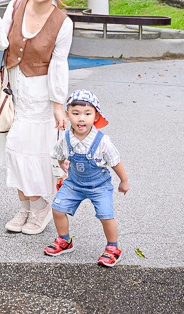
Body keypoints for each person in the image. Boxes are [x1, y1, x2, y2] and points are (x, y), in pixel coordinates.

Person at [0, 0, 73, 236]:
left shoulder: (62, 23)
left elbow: (58, 65)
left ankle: (41, 208)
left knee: (35, 153)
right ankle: (24, 208)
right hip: (13, 89)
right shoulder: (16, 5)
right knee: (14, 151)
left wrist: (58, 104)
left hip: (40, 95)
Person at [43, 89, 129, 267]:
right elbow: (59, 155)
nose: (81, 118)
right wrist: (63, 166)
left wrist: (124, 180)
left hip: (99, 186)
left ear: (95, 116)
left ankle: (113, 247)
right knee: (58, 208)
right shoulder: (66, 138)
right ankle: (64, 240)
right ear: (67, 115)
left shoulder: (102, 141)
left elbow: (115, 162)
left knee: (106, 215)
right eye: (75, 113)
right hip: (74, 183)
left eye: (87, 113)